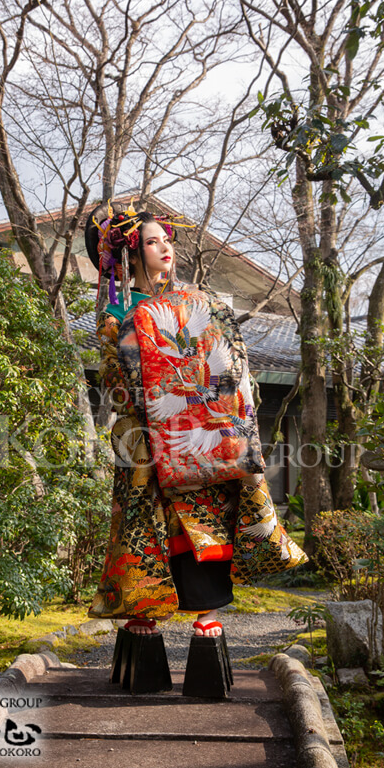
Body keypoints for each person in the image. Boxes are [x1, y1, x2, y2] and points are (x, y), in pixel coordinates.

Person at [85, 202, 307, 640]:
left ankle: (205, 610)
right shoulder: (116, 314)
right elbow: (116, 380)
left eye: (167, 240)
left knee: (206, 517)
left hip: (200, 425)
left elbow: (227, 363)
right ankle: (143, 609)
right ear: (130, 255)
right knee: (145, 520)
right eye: (152, 242)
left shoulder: (197, 302)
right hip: (145, 433)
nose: (165, 247)